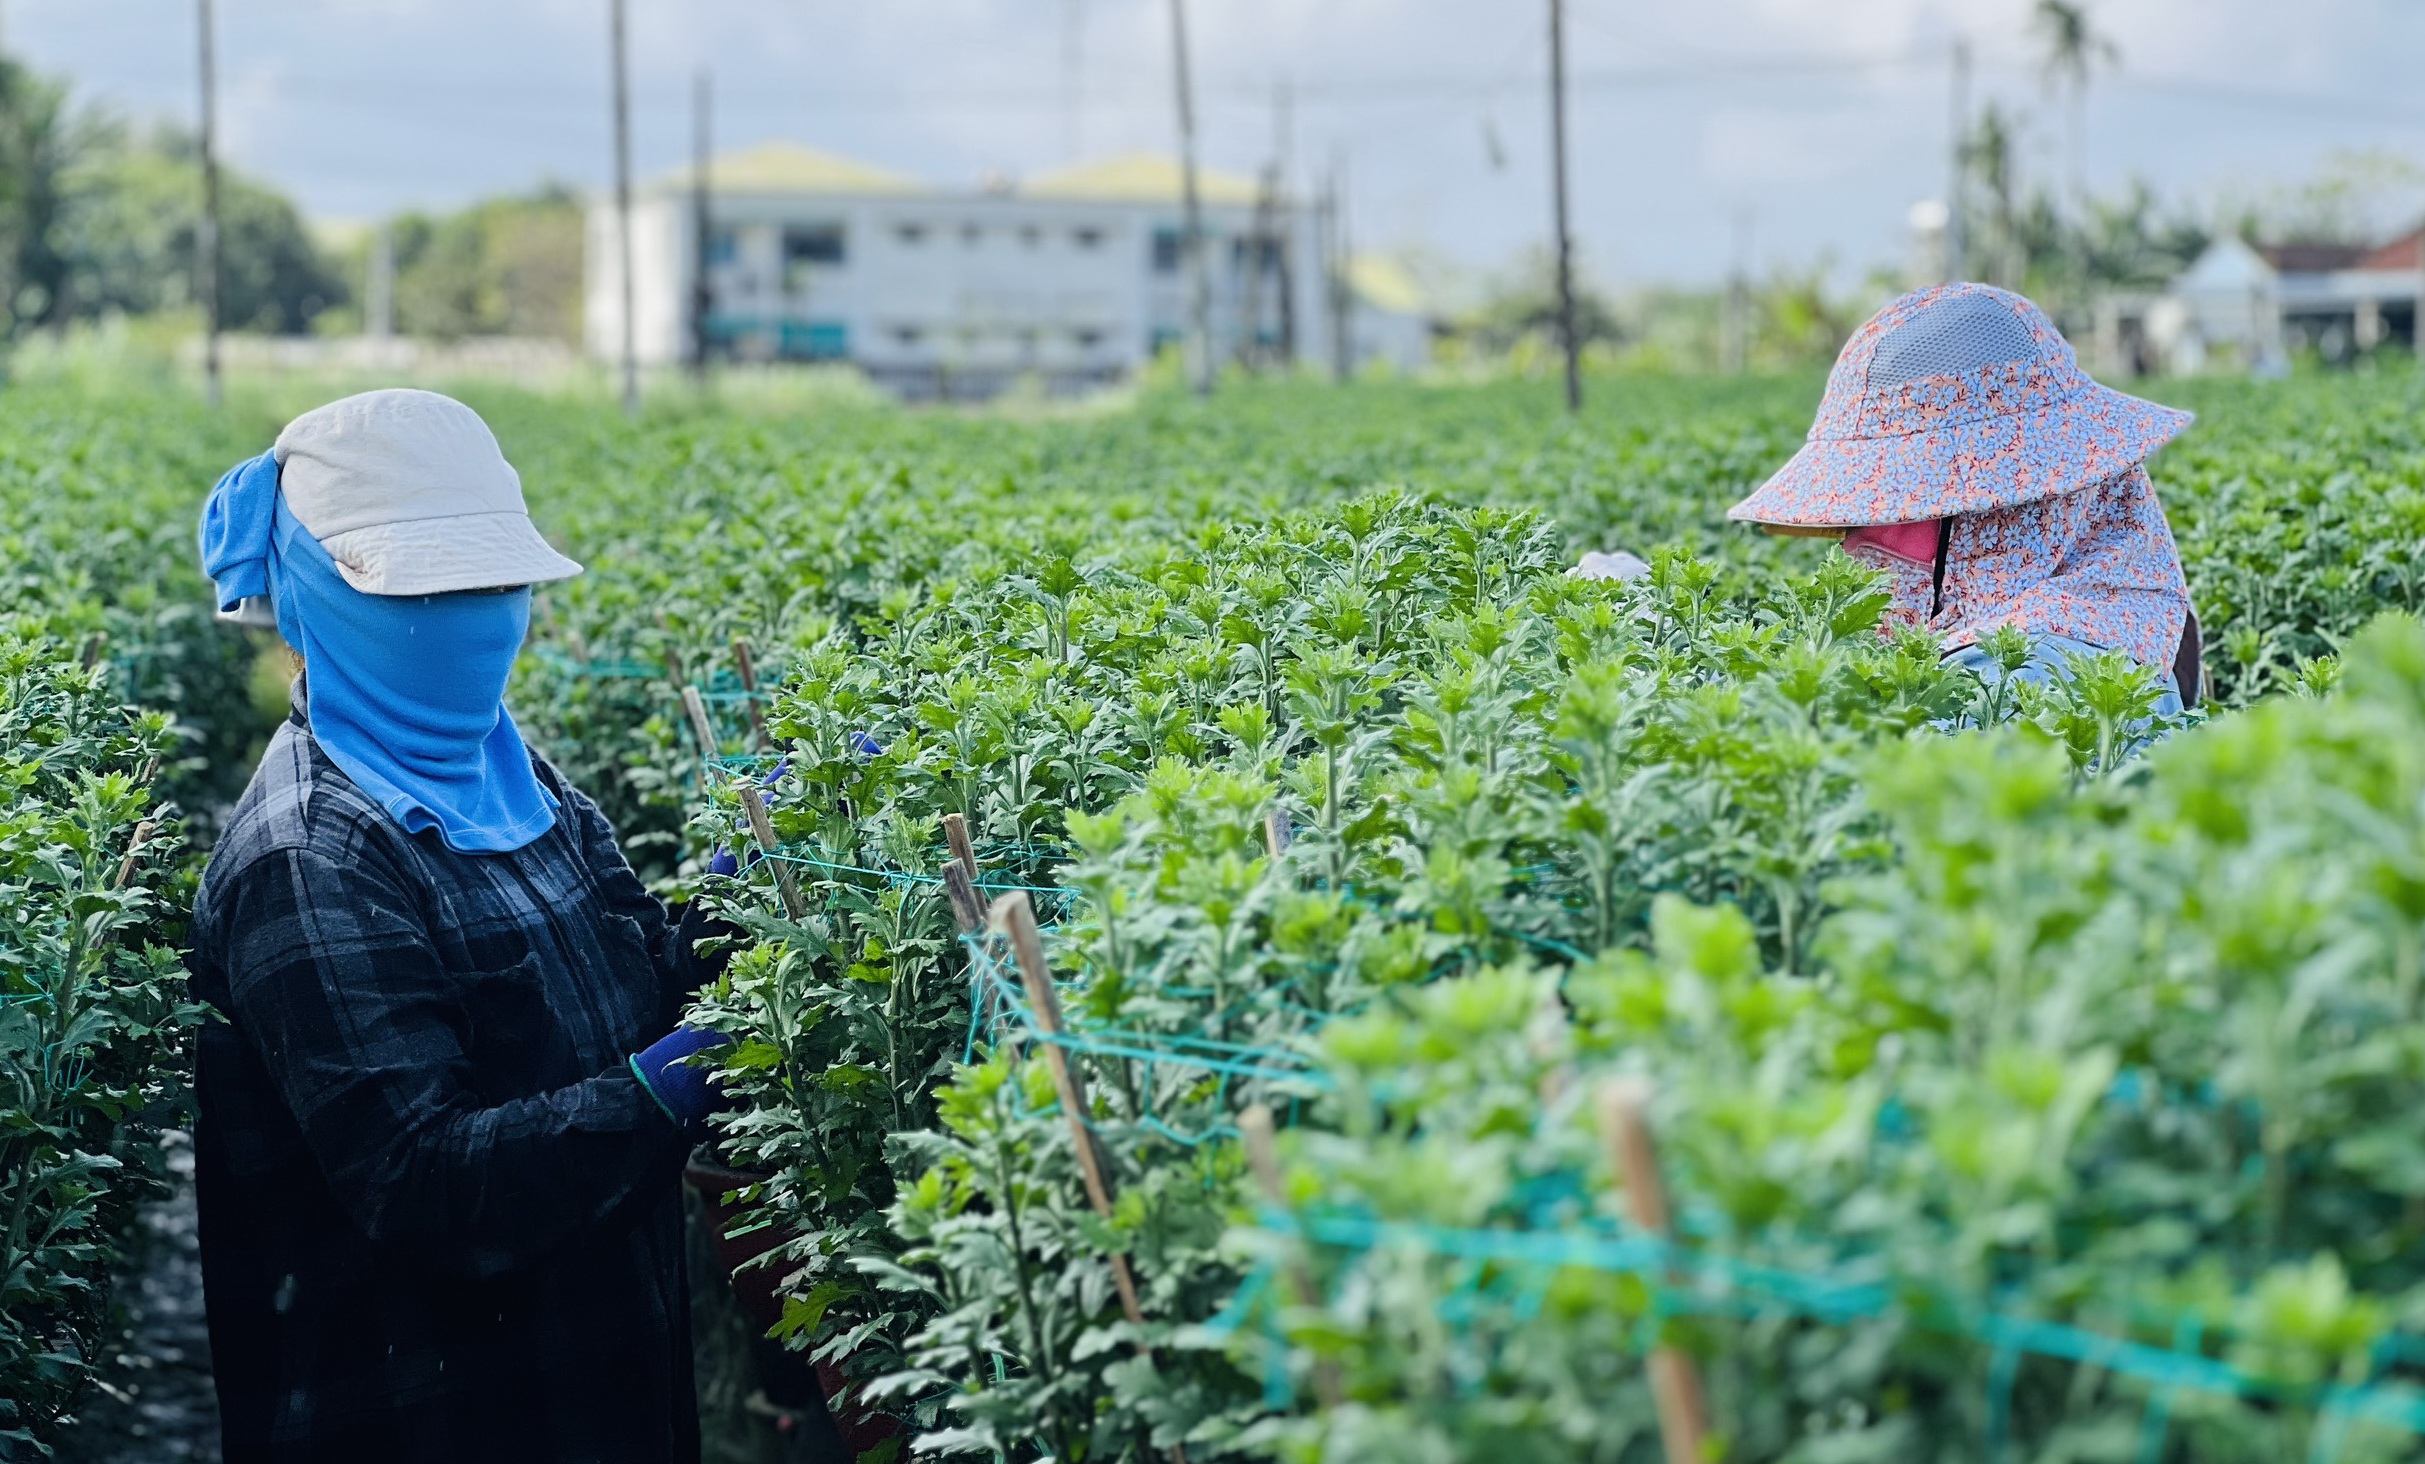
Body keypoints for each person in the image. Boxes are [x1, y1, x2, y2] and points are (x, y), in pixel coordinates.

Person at [190, 389, 734, 1463]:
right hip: (421, 1413)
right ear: (315, 590)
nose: (478, 614)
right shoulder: (309, 856)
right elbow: (426, 1185)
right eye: (432, 590)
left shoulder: (510, 770)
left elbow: (635, 986)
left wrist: (741, 906)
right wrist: (663, 1087)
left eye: (496, 581)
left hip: (598, 1389)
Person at [1729, 283, 2203, 712]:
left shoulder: (2012, 678)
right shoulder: (2136, 614)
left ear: (1999, 517)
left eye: (1905, 507)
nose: (1857, 542)